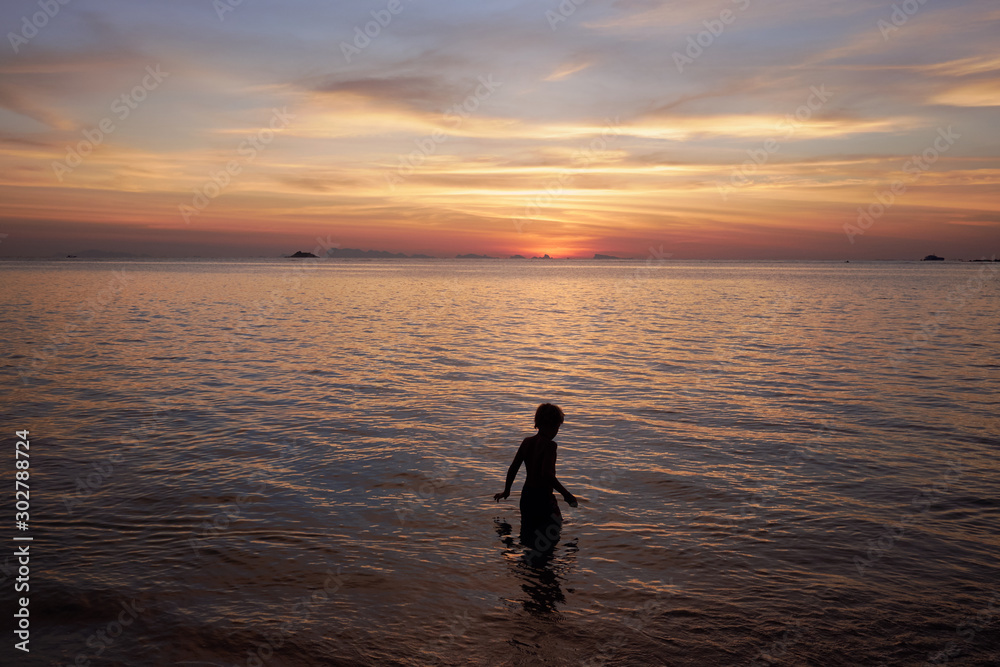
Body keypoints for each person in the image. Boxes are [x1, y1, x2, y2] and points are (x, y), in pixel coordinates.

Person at [494, 403, 578, 532]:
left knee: (527, 533)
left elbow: (513, 468)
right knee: (553, 531)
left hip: (527, 496)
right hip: (543, 498)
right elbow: (547, 474)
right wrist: (566, 495)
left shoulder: (527, 442)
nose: (557, 431)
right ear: (552, 425)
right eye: (557, 427)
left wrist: (506, 490)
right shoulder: (550, 446)